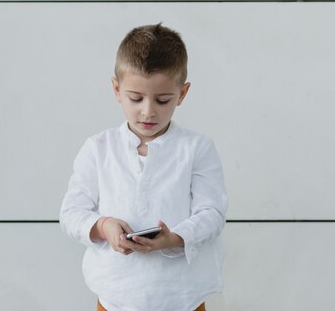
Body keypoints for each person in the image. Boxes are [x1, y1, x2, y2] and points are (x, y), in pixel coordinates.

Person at [60, 23, 227, 311]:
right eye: (135, 98)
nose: (148, 111)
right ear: (116, 88)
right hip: (115, 298)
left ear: (182, 94)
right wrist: (103, 226)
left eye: (163, 100)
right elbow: (72, 212)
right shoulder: (98, 149)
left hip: (182, 297)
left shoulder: (197, 149)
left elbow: (211, 213)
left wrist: (173, 238)